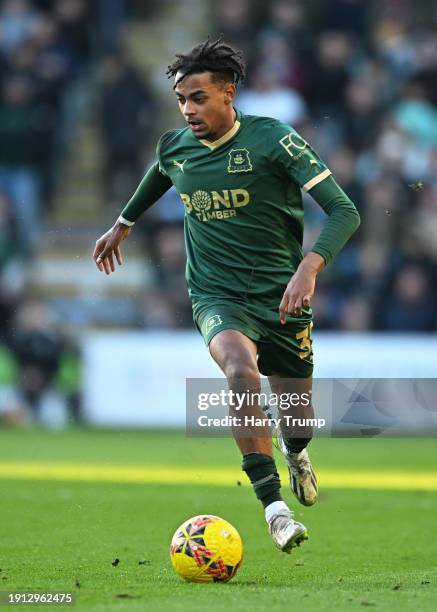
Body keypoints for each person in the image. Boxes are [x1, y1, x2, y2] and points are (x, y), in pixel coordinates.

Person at [93, 37, 360, 553]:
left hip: (283, 296)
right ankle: (273, 507)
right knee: (239, 370)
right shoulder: (175, 145)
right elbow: (161, 172)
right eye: (180, 100)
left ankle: (297, 451)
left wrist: (309, 267)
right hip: (216, 295)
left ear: (228, 94)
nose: (187, 110)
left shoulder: (272, 140)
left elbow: (345, 210)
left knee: (298, 420)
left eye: (197, 98)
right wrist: (124, 223)